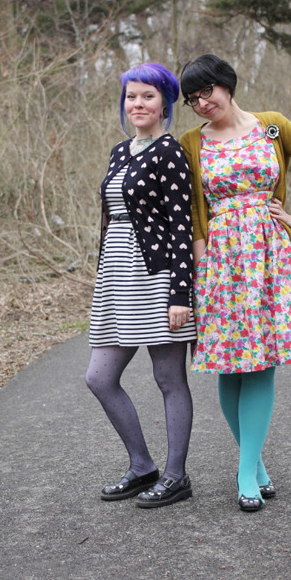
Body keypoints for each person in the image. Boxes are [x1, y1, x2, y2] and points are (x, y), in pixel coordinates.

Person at [179, 54, 291, 512]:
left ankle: (246, 471)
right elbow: (193, 206)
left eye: (206, 91)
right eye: (192, 99)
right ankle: (257, 465)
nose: (202, 103)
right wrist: (198, 253)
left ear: (226, 85)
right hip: (221, 261)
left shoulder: (271, 126)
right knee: (230, 364)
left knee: (262, 359)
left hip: (271, 256)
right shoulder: (192, 142)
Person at [85, 62, 196, 508]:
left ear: (165, 103)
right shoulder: (119, 152)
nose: (138, 104)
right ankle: (141, 465)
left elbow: (181, 227)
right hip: (117, 277)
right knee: (99, 377)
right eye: (132, 96)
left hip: (156, 278)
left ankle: (175, 476)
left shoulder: (170, 152)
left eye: (148, 96)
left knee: (168, 378)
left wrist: (180, 294)